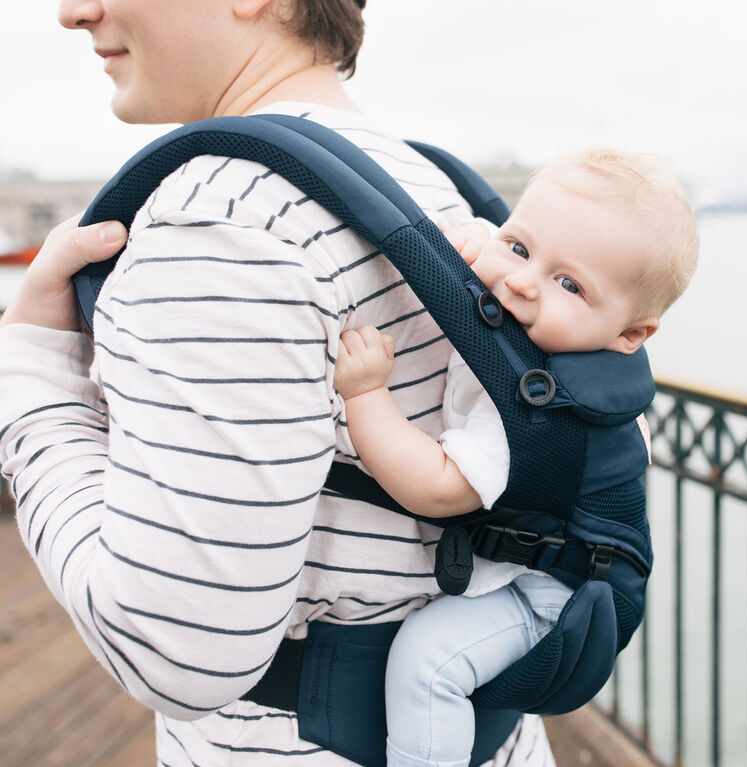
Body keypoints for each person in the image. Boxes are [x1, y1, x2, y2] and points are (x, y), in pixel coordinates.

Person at [0, 0, 555, 765]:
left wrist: (34, 378)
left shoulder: (219, 222)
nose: (73, 12)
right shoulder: (431, 185)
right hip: (486, 733)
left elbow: (177, 652)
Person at [332, 149, 699, 767]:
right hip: (539, 561)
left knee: (428, 663)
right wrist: (482, 242)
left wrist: (366, 395)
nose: (523, 283)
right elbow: (505, 264)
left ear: (629, 335)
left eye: (570, 285)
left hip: (551, 594)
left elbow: (437, 486)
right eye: (522, 248)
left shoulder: (546, 417)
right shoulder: (536, 330)